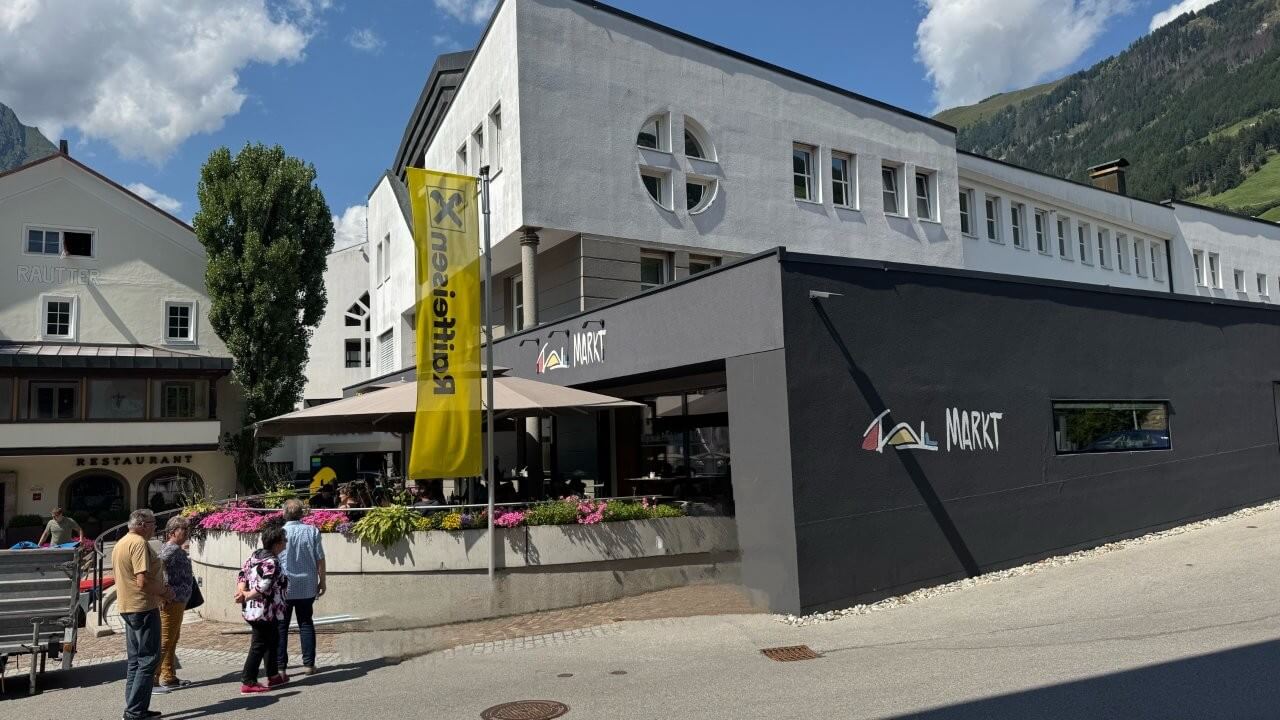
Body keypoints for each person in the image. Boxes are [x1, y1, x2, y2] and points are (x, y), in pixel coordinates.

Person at [112, 509, 173, 720]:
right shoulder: (138, 543)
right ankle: (134, 711)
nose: (155, 527)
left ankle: (135, 708)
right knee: (148, 660)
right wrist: (165, 592)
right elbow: (142, 581)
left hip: (128, 606)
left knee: (136, 661)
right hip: (142, 607)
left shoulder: (121, 542)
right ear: (143, 524)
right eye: (153, 523)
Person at [234, 525, 289, 694]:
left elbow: (242, 574)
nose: (286, 543)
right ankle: (248, 680)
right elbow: (264, 586)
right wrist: (245, 595)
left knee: (271, 640)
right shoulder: (271, 562)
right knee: (259, 644)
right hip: (263, 610)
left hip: (260, 609)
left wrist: (241, 591)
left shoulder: (255, 556)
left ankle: (273, 675)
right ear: (277, 544)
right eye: (284, 541)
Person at [276, 499, 326, 675]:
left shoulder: (280, 532)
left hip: (285, 585)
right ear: (301, 514)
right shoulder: (312, 531)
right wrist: (323, 580)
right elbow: (320, 558)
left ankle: (280, 667)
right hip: (307, 584)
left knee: (282, 626)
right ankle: (309, 664)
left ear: (284, 513)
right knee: (306, 623)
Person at [152, 516, 194, 693]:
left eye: (186, 529)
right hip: (171, 600)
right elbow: (157, 567)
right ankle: (152, 678)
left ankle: (168, 675)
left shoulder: (176, 549)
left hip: (178, 599)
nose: (186, 532)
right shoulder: (170, 549)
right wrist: (162, 592)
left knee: (173, 638)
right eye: (182, 530)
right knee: (166, 639)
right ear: (171, 533)